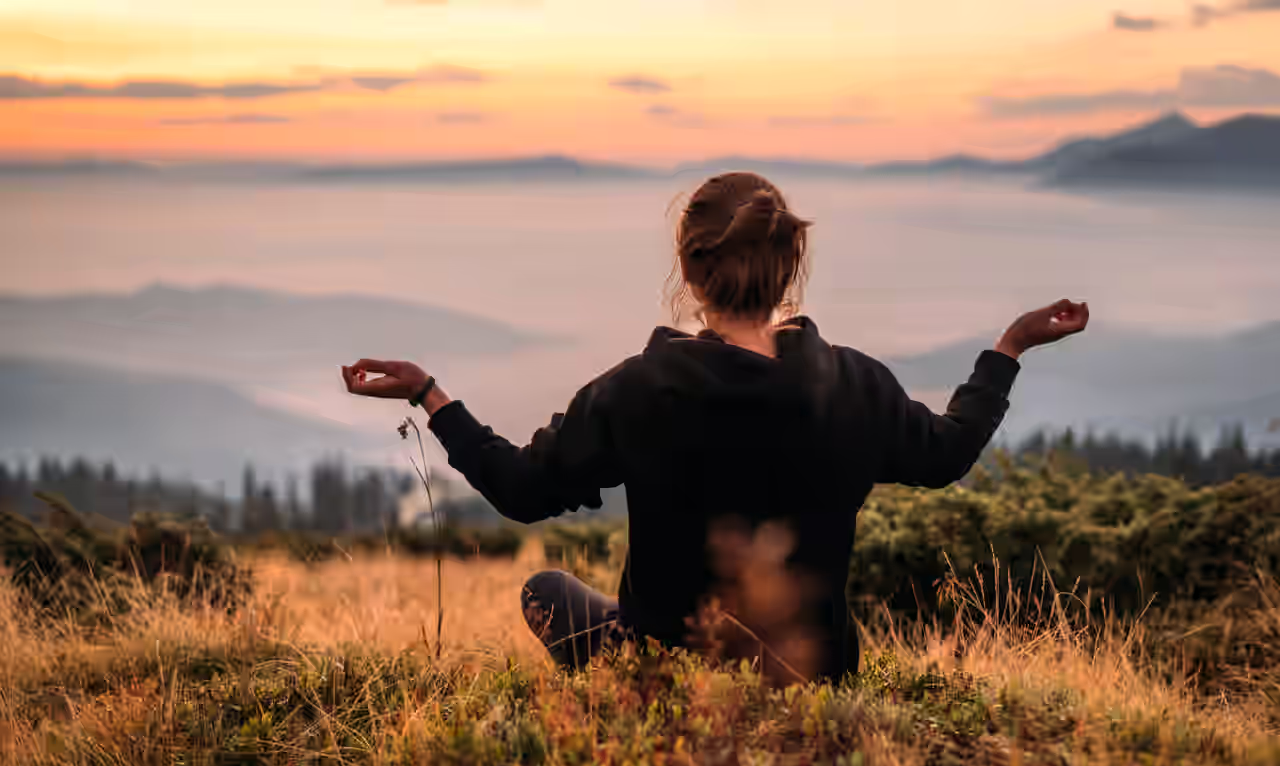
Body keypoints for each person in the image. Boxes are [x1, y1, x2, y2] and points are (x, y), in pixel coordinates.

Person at [342, 172, 1088, 682]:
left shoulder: (638, 390)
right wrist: (1009, 347)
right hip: (816, 676)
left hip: (667, 674)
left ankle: (616, 707)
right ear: (790, 265)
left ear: (691, 271)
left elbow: (521, 490)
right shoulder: (855, 383)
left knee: (549, 588)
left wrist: (431, 395)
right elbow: (947, 454)